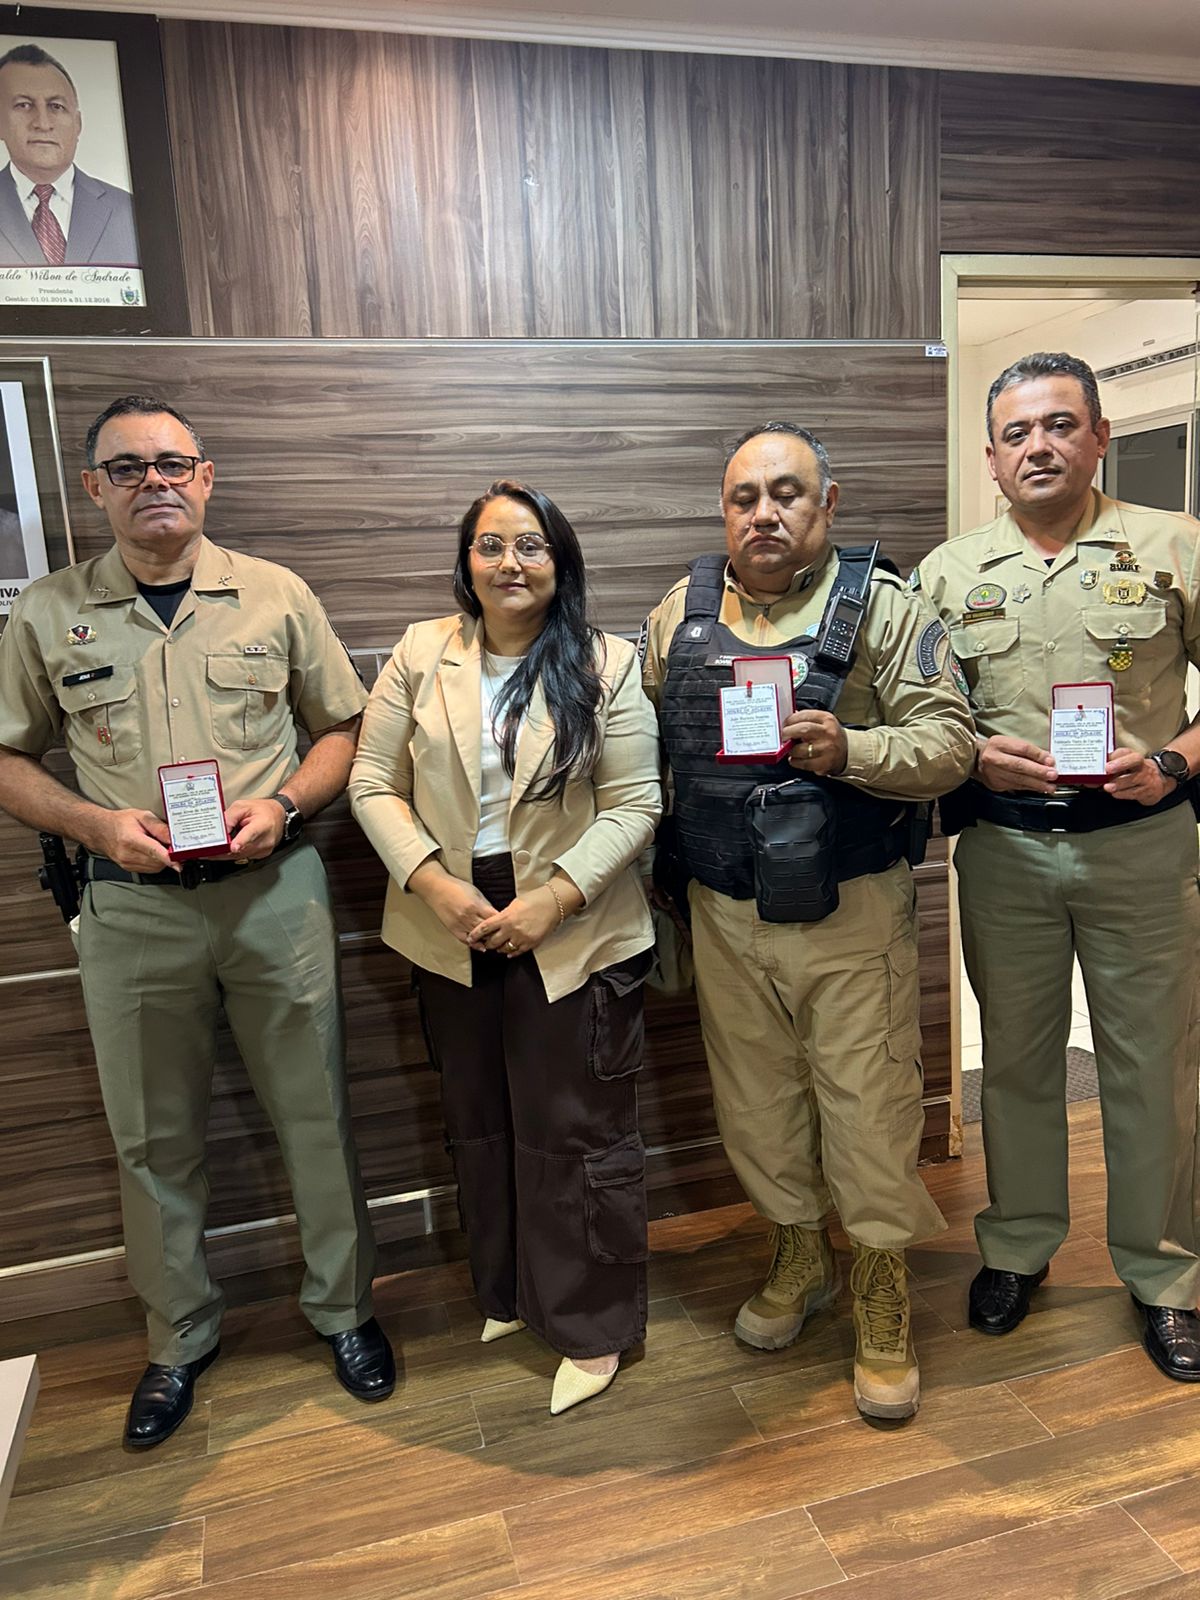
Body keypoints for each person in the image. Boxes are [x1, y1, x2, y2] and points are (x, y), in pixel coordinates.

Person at [0, 394, 393, 1448]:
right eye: (128, 468)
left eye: (172, 464)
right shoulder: (47, 613)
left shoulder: (275, 595)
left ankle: (344, 1311)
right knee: (150, 1135)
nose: (154, 483)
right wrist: (92, 824)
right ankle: (178, 1335)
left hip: (274, 895)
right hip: (130, 910)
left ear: (206, 478)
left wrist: (289, 805)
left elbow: (346, 727)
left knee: (316, 1113)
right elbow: (7, 757)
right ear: (95, 489)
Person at [641, 422, 976, 1421]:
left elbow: (951, 743)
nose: (764, 514)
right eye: (743, 498)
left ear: (827, 504)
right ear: (723, 511)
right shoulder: (679, 615)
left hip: (849, 910)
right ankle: (798, 1252)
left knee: (867, 1104)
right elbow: (642, 743)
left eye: (786, 494)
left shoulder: (885, 606)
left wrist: (854, 751)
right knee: (756, 1101)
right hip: (722, 908)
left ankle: (880, 1284)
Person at [915, 351, 1200, 1381]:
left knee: (1154, 1070)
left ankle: (1164, 1276)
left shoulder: (1174, 545)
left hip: (1143, 847)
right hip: (1005, 853)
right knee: (1018, 1065)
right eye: (1017, 433)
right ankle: (1017, 1247)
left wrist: (1174, 762)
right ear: (992, 458)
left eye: (1060, 424)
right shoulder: (946, 576)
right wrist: (969, 753)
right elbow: (920, 715)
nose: (1038, 446)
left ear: (1099, 437)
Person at [350, 479, 661, 1415]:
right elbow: (370, 781)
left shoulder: (607, 662)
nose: (510, 563)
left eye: (530, 545)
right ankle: (512, 1294)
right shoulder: (420, 653)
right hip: (447, 919)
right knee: (481, 1121)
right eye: (490, 545)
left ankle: (592, 1326)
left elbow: (637, 803)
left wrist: (551, 900)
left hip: (573, 921)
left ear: (560, 560)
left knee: (573, 1129)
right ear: (467, 562)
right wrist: (433, 883)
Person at [0, 44, 138, 268]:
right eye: (23, 105)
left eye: (56, 106)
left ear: (78, 124)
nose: (43, 123)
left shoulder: (130, 211)